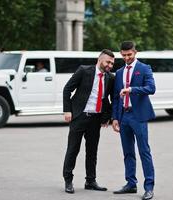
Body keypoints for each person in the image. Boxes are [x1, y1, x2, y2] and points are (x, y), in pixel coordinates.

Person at [62, 49, 115, 194]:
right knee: (73, 149)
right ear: (100, 60)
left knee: (92, 151)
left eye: (112, 63)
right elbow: (67, 89)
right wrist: (67, 110)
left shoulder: (110, 77)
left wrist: (106, 117)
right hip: (79, 116)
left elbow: (109, 100)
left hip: (95, 119)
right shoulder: (84, 71)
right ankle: (68, 180)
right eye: (108, 62)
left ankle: (90, 181)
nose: (110, 65)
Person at [112, 41, 156, 200]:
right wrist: (115, 118)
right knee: (128, 152)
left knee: (144, 151)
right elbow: (116, 97)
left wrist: (131, 89)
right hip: (124, 116)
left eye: (129, 55)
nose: (126, 58)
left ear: (135, 52)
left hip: (139, 116)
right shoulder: (119, 72)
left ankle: (149, 187)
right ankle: (131, 184)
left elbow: (151, 88)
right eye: (123, 55)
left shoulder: (144, 68)